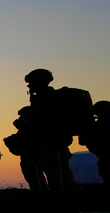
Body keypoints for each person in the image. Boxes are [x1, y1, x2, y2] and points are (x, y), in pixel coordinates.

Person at [25, 68, 79, 201]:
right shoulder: (56, 97)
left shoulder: (43, 99)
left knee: (54, 172)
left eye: (31, 83)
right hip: (60, 139)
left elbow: (36, 120)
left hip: (48, 140)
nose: (29, 86)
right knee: (64, 170)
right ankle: (71, 200)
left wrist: (24, 121)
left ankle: (58, 200)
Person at [4, 106, 48, 194]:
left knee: (33, 177)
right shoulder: (31, 129)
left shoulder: (30, 129)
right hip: (34, 155)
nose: (20, 119)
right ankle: (43, 195)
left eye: (22, 117)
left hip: (30, 156)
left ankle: (40, 197)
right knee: (37, 176)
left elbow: (22, 141)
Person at [80, 101, 110, 188]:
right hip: (109, 156)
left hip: (107, 156)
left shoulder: (94, 127)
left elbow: (82, 141)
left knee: (109, 176)